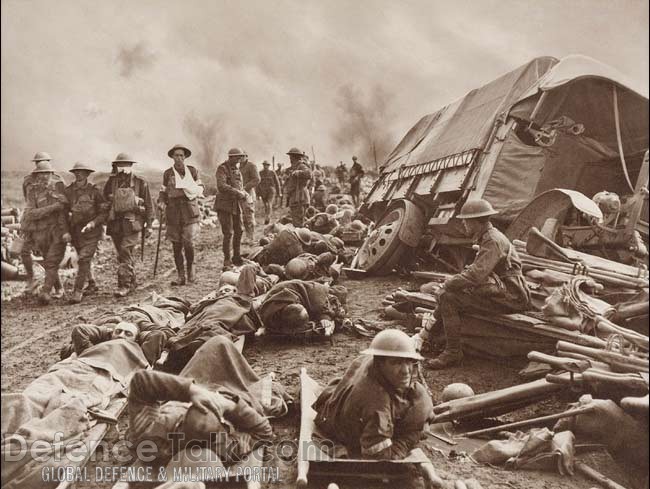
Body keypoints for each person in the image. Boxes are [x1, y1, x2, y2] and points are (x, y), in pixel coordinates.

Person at [127, 336, 274, 471]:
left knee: (219, 344)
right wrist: (230, 406)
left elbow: (140, 382)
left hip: (190, 390)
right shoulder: (224, 448)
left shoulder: (150, 438)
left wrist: (192, 392)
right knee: (225, 351)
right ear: (219, 429)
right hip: (226, 395)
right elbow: (264, 432)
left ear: (180, 426)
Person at [413, 199, 531, 368]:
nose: (463, 224)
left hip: (512, 297)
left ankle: (452, 352)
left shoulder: (493, 240)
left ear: (477, 221)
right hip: (501, 292)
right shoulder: (488, 237)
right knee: (449, 295)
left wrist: (447, 284)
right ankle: (425, 337)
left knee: (448, 297)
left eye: (465, 221)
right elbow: (477, 273)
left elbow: (475, 275)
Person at [312, 329, 432, 459]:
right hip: (340, 424)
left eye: (408, 361)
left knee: (420, 405)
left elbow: (421, 399)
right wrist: (410, 438)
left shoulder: (375, 361)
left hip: (348, 397)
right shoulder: (375, 400)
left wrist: (421, 416)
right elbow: (380, 454)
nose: (405, 371)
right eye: (396, 363)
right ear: (380, 364)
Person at [103, 153, 155, 297]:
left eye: (126, 164)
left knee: (125, 250)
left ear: (131, 165)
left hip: (132, 224)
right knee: (123, 255)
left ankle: (124, 285)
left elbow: (149, 205)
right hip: (115, 225)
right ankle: (132, 282)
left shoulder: (140, 182)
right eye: (120, 164)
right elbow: (105, 199)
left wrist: (149, 225)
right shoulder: (112, 182)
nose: (123, 167)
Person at [19, 160, 70, 304]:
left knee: (51, 262)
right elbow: (30, 214)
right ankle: (59, 288)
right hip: (40, 232)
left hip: (57, 231)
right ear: (36, 175)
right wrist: (53, 208)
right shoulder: (33, 191)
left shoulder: (59, 188)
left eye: (46, 174)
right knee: (48, 261)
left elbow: (65, 210)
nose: (43, 177)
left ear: (51, 174)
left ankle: (46, 292)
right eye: (40, 174)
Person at [158, 144, 204, 286]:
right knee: (176, 245)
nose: (178, 158)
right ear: (172, 157)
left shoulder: (192, 171)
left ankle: (191, 269)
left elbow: (201, 187)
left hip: (189, 211)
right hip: (173, 212)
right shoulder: (168, 173)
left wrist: (192, 190)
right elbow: (163, 191)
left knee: (188, 243)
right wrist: (161, 202)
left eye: (181, 155)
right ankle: (180, 275)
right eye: (176, 155)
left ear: (185, 157)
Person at [64, 162, 108, 303]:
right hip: (76, 231)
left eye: (82, 172)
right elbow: (64, 213)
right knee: (84, 259)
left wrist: (93, 223)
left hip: (92, 232)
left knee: (83, 259)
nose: (79, 174)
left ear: (87, 174)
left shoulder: (95, 191)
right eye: (76, 172)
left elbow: (103, 213)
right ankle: (92, 282)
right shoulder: (69, 191)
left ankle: (77, 291)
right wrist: (66, 230)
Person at [257, 279, 346, 337]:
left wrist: (325, 316)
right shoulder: (268, 313)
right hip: (282, 287)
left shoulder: (316, 301)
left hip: (307, 289)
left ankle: (327, 286)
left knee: (341, 294)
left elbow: (327, 302)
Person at [214, 148, 248, 271]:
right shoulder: (222, 169)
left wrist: (243, 193)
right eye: (237, 157)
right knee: (228, 233)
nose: (239, 159)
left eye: (240, 157)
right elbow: (221, 186)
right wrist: (237, 192)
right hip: (224, 205)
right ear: (231, 157)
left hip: (235, 204)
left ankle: (237, 256)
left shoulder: (237, 170)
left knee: (239, 230)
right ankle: (227, 259)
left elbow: (240, 186)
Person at [284, 147, 312, 227]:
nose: (290, 159)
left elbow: (309, 174)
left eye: (291, 157)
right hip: (295, 197)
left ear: (295, 157)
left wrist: (299, 172)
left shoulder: (301, 166)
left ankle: (300, 237)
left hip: (300, 197)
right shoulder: (294, 167)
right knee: (297, 221)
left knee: (299, 222)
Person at [239, 153, 260, 245]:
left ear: (247, 156)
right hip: (240, 194)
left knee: (249, 215)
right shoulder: (238, 167)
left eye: (243, 156)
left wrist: (245, 187)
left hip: (249, 194)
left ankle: (251, 237)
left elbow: (257, 179)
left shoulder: (251, 166)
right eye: (240, 156)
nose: (241, 158)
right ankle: (247, 237)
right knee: (243, 216)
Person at [258, 161, 281, 225]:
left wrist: (279, 192)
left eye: (267, 165)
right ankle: (267, 216)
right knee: (265, 205)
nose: (265, 166)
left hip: (271, 190)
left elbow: (277, 182)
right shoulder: (260, 173)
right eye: (264, 165)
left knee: (269, 203)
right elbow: (258, 183)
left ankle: (268, 217)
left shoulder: (272, 173)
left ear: (269, 166)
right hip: (263, 191)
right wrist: (258, 193)